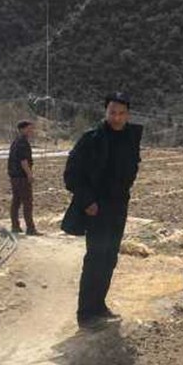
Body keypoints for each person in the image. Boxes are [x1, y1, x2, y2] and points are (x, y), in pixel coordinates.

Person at [62, 93, 142, 328]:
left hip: (119, 206)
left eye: (121, 113)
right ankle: (86, 313)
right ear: (105, 112)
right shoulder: (91, 139)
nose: (116, 118)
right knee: (96, 257)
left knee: (110, 257)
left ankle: (99, 305)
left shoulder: (131, 138)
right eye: (112, 112)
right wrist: (88, 201)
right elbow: (71, 174)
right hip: (96, 208)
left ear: (128, 114)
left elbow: (132, 168)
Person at [7, 120, 41, 235]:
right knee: (27, 202)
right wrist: (29, 175)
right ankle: (30, 228)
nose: (32, 131)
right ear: (22, 129)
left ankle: (15, 226)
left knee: (16, 201)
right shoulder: (22, 142)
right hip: (22, 177)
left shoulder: (16, 141)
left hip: (14, 176)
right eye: (29, 128)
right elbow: (24, 161)